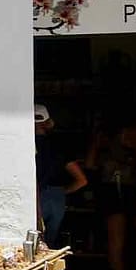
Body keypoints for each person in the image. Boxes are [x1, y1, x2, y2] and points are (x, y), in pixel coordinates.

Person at [87, 121, 136, 270]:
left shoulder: (108, 138)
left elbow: (90, 164)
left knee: (127, 243)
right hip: (125, 190)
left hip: (121, 191)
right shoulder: (124, 137)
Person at [35, 105, 89, 248]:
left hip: (34, 196)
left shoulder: (23, 145)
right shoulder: (60, 146)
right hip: (56, 198)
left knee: (31, 244)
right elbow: (82, 180)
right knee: (51, 246)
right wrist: (62, 191)